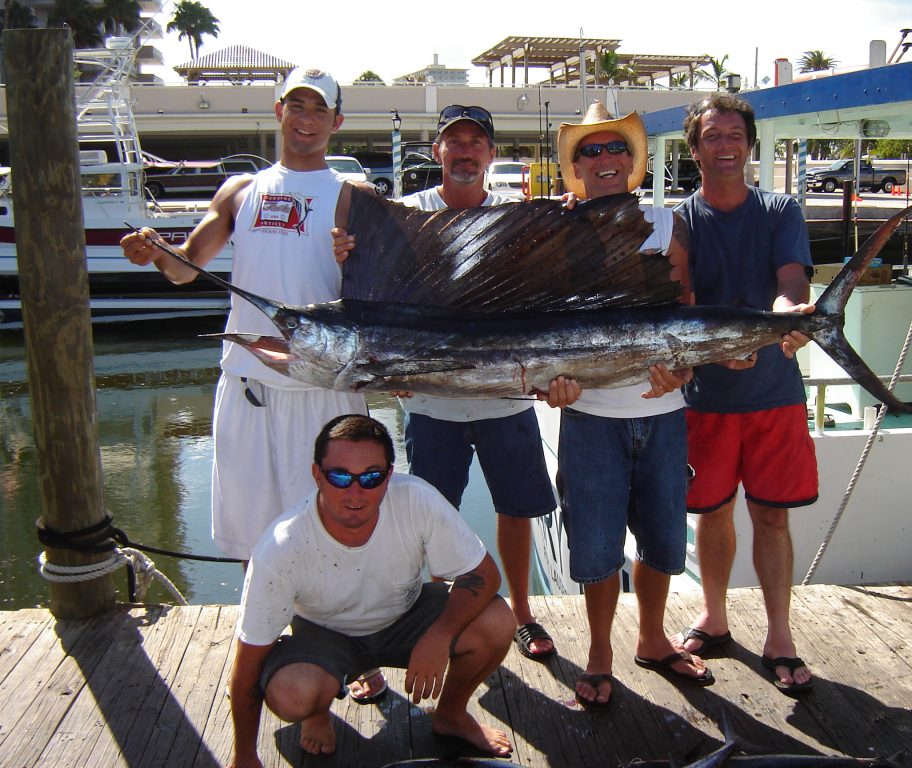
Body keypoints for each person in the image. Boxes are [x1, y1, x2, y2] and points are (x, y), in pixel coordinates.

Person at [120, 66, 383, 702]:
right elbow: (189, 268)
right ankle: (264, 645)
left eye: (319, 109)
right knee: (256, 533)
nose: (306, 118)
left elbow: (380, 292)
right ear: (278, 110)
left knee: (341, 524)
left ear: (336, 123)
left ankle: (354, 651)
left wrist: (357, 256)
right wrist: (156, 253)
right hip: (248, 385)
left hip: (326, 387)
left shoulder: (355, 192)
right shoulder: (241, 189)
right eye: (296, 104)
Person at [335, 104, 579, 662]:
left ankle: (521, 612)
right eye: (454, 142)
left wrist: (569, 218)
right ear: (438, 151)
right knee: (430, 514)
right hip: (431, 404)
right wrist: (344, 243)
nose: (465, 152)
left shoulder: (516, 218)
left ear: (490, 154)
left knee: (517, 510)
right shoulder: (407, 215)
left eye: (476, 142)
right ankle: (438, 615)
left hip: (505, 398)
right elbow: (350, 209)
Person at [227, 414, 516, 767]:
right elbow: (246, 666)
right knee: (292, 694)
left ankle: (451, 714)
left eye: (370, 477)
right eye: (339, 477)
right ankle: (316, 713)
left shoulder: (417, 500)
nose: (355, 492)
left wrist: (440, 635)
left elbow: (484, 573)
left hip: (406, 615)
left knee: (499, 621)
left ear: (389, 475)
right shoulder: (281, 548)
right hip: (325, 635)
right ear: (317, 474)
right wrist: (244, 755)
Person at [554, 101, 712, 710]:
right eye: (590, 150)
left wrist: (688, 365)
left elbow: (686, 307)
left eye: (615, 148)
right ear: (576, 166)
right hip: (590, 413)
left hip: (663, 415)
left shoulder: (667, 224)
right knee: (596, 545)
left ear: (633, 160)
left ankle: (652, 636)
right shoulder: (560, 231)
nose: (605, 159)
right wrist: (552, 385)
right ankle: (599, 651)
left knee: (663, 538)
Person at [671, 94, 817, 694]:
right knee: (712, 514)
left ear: (749, 145)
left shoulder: (781, 209)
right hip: (707, 397)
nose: (725, 145)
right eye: (712, 136)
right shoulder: (679, 220)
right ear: (695, 149)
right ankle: (714, 616)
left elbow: (791, 281)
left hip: (773, 394)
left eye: (735, 134)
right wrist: (713, 351)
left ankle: (779, 635)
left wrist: (790, 317)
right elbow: (680, 304)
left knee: (771, 515)